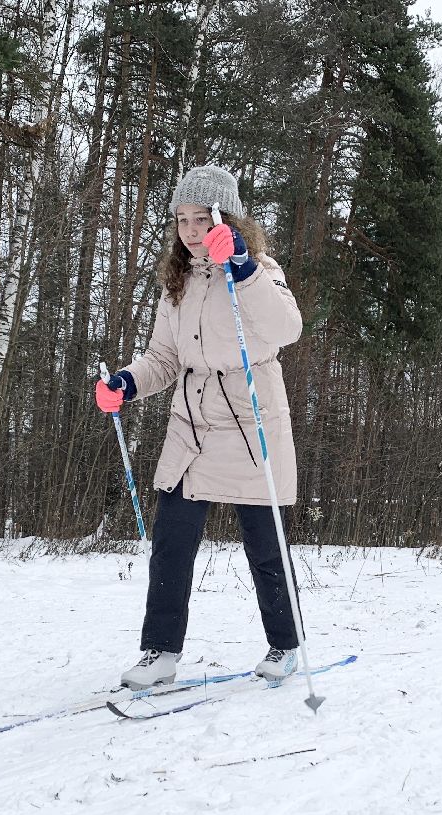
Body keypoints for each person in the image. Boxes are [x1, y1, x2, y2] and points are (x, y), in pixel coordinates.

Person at [95, 165, 304, 690]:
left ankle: (285, 643)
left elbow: (286, 329)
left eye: (200, 218)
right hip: (193, 423)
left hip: (251, 418)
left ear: (225, 218)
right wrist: (127, 382)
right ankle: (160, 651)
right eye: (181, 219)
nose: (189, 230)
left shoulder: (259, 269)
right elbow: (163, 357)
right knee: (172, 538)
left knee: (264, 544)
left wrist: (241, 267)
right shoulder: (177, 283)